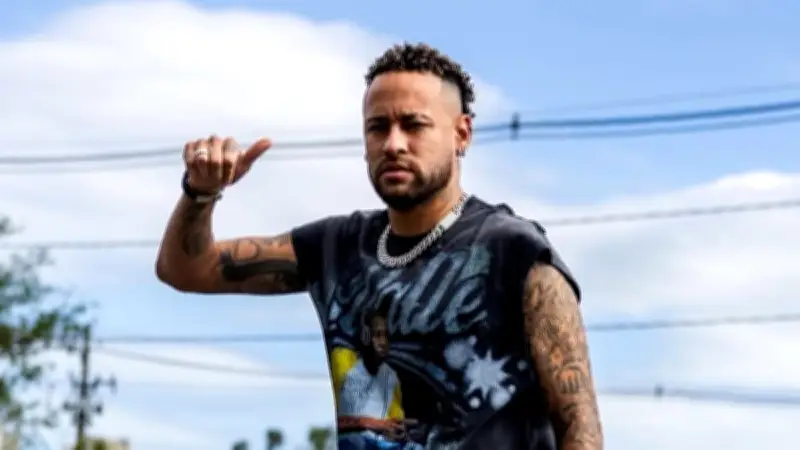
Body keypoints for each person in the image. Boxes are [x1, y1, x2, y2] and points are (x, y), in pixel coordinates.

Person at [155, 42, 603, 450]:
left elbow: (580, 431)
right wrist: (200, 193)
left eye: (413, 125)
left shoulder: (515, 253)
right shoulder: (336, 248)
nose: (393, 144)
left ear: (461, 134)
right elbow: (186, 269)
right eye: (378, 127)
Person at [332, 307, 421, 450]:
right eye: (378, 335)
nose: (383, 342)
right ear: (366, 336)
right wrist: (375, 424)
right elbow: (332, 421)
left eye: (386, 336)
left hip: (381, 442)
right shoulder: (342, 362)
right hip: (353, 440)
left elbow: (393, 421)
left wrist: (398, 429)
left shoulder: (391, 377)